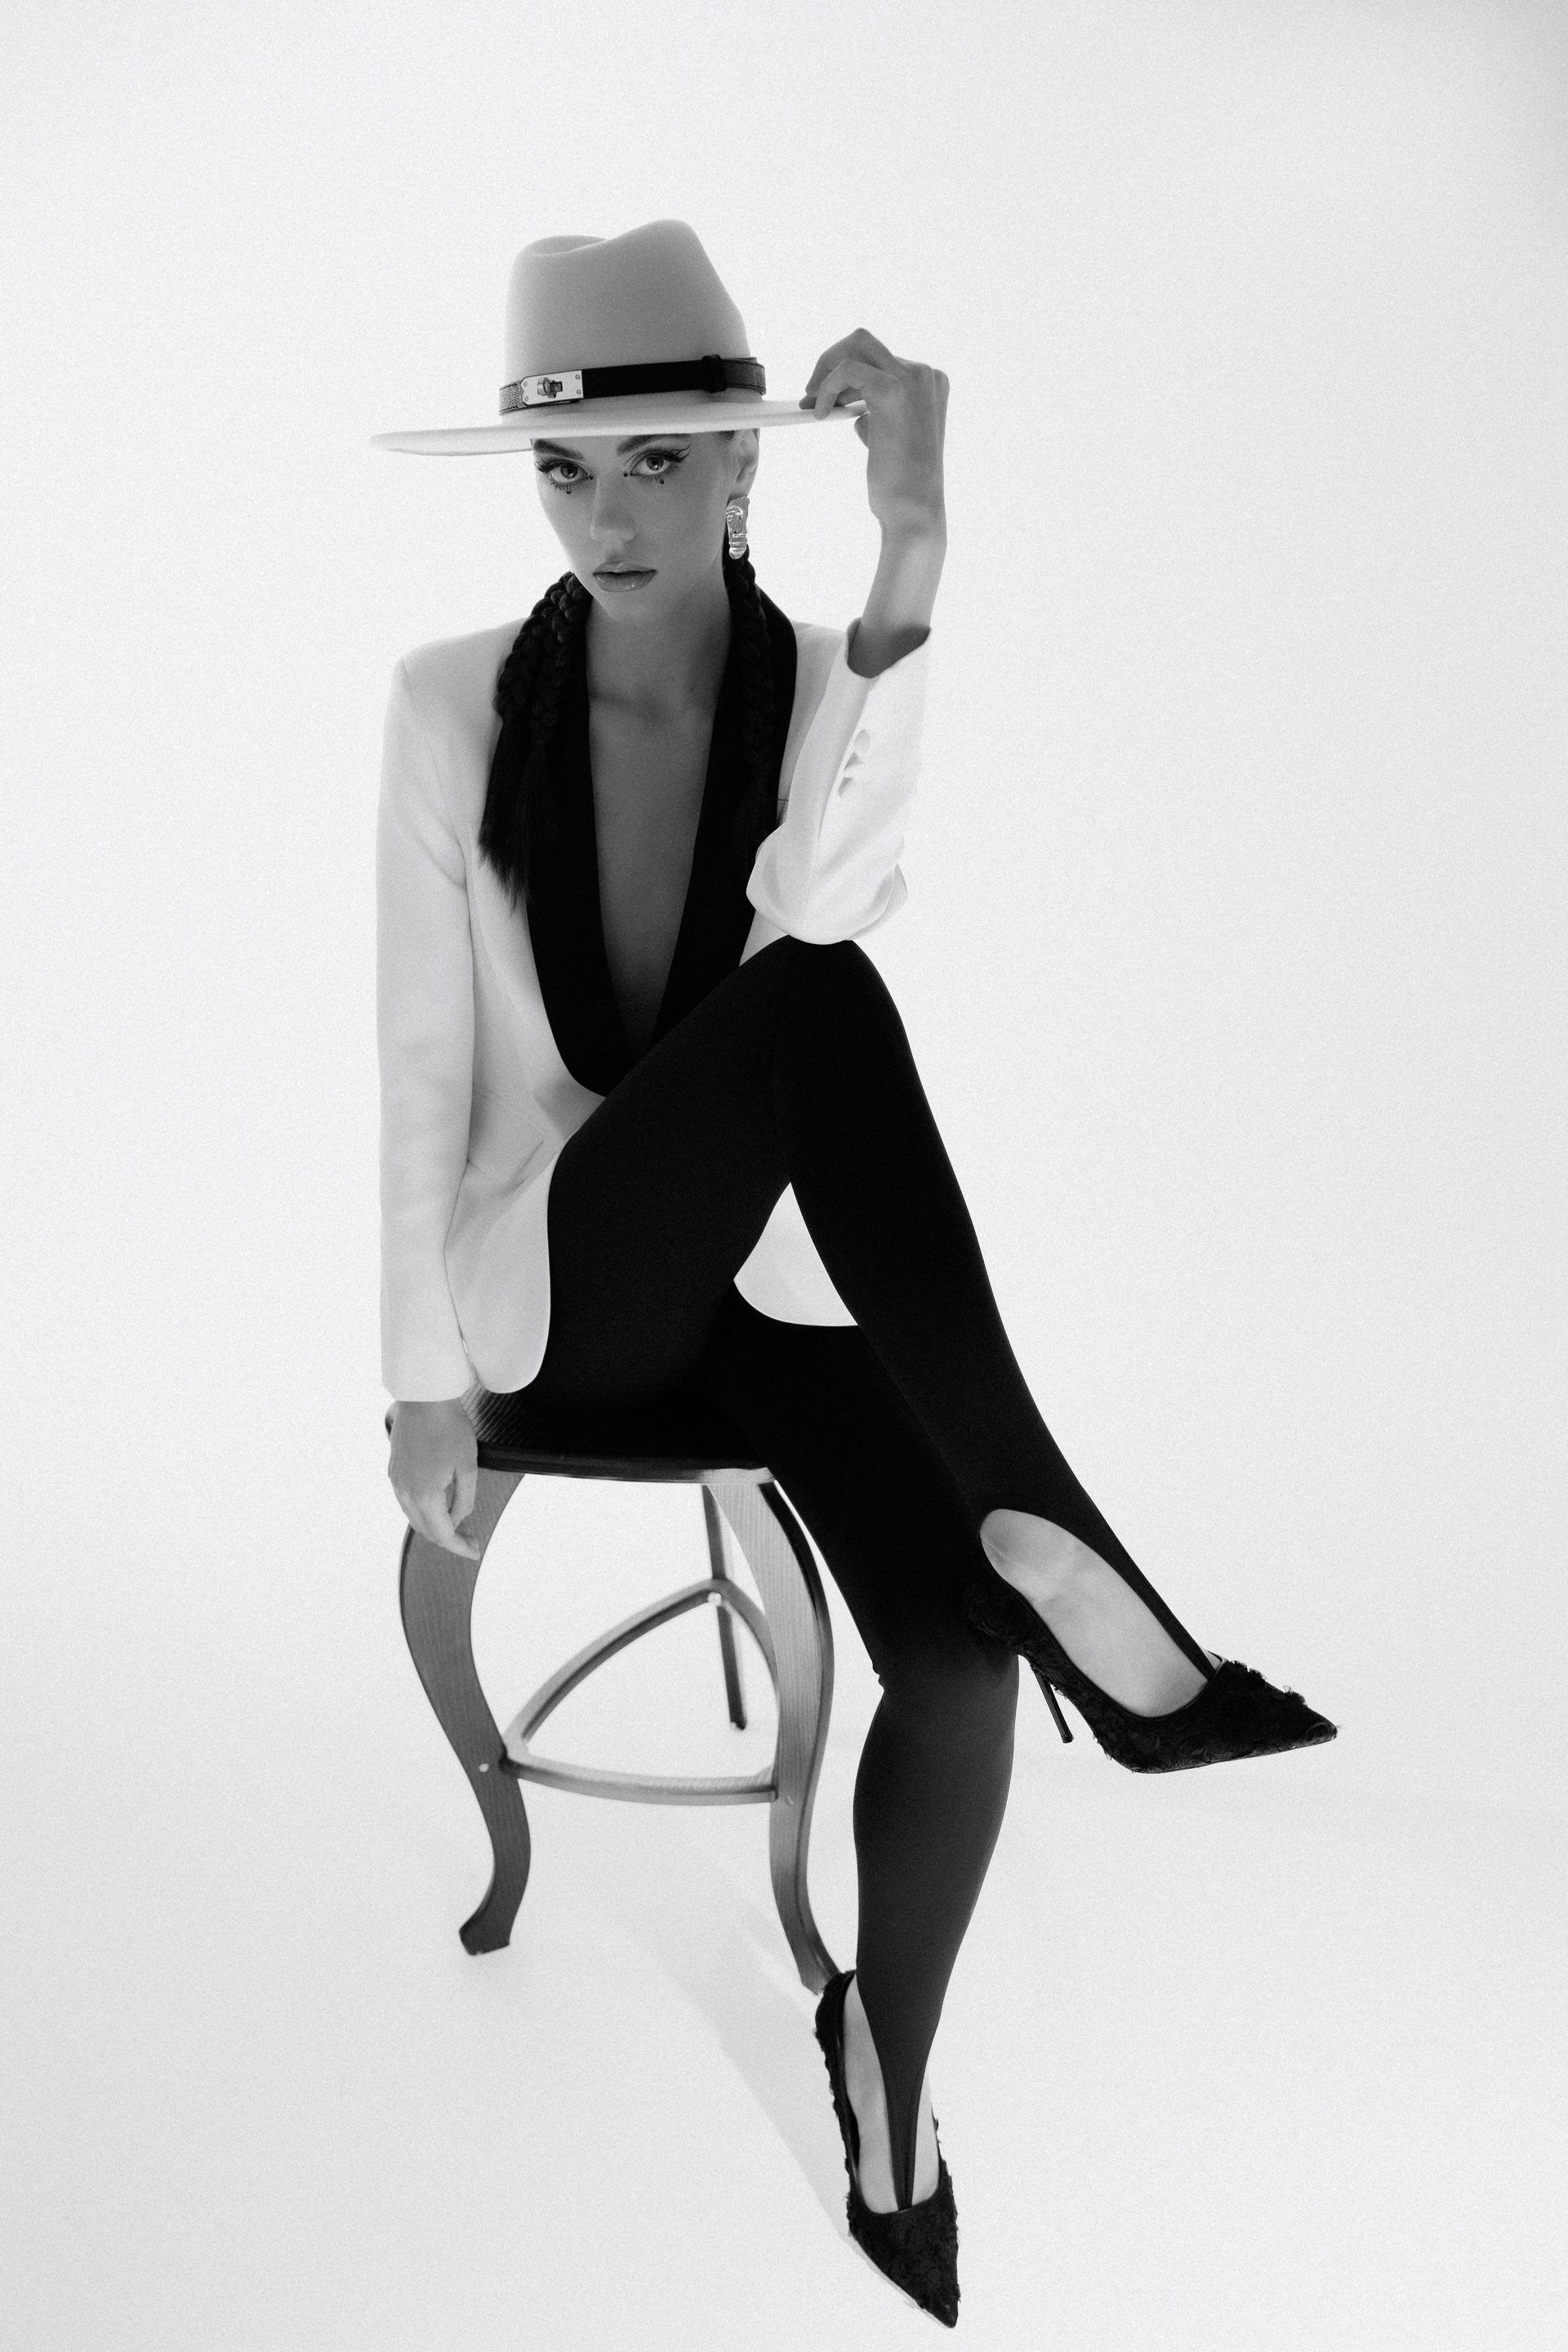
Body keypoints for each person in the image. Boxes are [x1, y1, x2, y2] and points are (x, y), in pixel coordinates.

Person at [373, 220, 1335, 2327]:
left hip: (778, 1289)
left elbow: (834, 886)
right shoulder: (449, 706)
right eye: (565, 472)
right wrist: (421, 1373)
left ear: (744, 467)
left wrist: (911, 554)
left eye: (657, 462)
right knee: (810, 1006)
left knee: (962, 1662)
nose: (607, 517)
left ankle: (886, 2077)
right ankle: (1075, 1555)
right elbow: (427, 1059)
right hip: (573, 1298)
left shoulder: (825, 680)